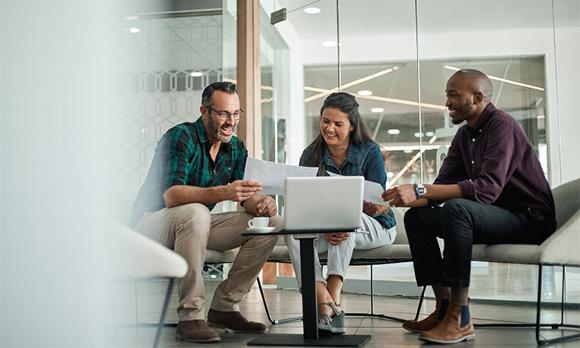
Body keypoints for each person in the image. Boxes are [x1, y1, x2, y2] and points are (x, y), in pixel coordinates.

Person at [383, 69, 556, 344]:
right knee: (417, 217)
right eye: (447, 95)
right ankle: (443, 307)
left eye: (453, 95)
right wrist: (395, 202)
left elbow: (486, 189)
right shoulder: (465, 136)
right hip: (493, 216)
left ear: (477, 98)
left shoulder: (503, 126)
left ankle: (460, 316)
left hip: (529, 219)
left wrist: (419, 189)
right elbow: (440, 188)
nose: (447, 103)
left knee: (458, 209)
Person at [129, 82, 283, 343]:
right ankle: (190, 316)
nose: (230, 122)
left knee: (270, 224)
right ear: (204, 111)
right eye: (223, 113)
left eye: (235, 114)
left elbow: (240, 193)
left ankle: (224, 307)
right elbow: (172, 195)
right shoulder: (180, 137)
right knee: (196, 211)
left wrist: (260, 202)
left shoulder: (235, 148)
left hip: (193, 223)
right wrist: (225, 192)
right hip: (151, 225)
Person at [285, 92, 397, 334]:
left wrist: (352, 210)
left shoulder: (370, 151)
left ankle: (331, 298)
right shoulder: (311, 154)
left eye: (338, 124)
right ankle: (322, 296)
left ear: (352, 125)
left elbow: (378, 201)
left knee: (344, 220)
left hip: (375, 226)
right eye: (326, 121)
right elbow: (305, 201)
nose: (330, 129)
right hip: (328, 227)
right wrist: (324, 225)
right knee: (292, 231)